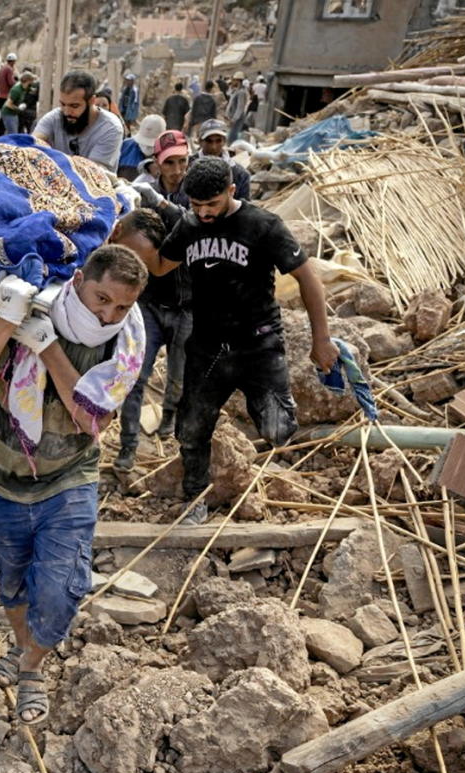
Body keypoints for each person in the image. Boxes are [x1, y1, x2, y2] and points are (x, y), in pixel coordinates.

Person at [0, 245, 147, 724]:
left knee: (61, 588)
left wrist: (49, 348)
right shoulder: (29, 312)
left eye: (121, 306)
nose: (108, 314)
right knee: (12, 578)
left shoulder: (124, 344)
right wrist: (8, 321)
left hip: (68, 479)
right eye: (101, 298)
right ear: (79, 279)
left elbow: (88, 417)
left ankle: (33, 667)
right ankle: (24, 654)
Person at [128, 157, 338, 523]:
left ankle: (269, 407)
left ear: (231, 191)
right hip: (207, 345)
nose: (204, 213)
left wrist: (322, 339)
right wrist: (134, 238)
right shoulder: (190, 226)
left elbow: (308, 278)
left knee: (277, 430)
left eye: (211, 204)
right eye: (196, 205)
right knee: (191, 430)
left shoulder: (263, 226)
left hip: (259, 342)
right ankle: (196, 500)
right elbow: (162, 265)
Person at [114, 130, 192, 469]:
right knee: (135, 376)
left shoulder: (196, 195)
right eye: (169, 163)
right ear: (157, 165)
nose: (177, 169)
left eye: (182, 162)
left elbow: (192, 228)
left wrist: (162, 205)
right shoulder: (143, 194)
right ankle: (128, 446)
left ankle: (168, 421)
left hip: (188, 305)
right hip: (150, 303)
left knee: (179, 376)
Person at [32, 70, 124, 171]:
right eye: (63, 104)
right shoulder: (55, 117)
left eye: (74, 106)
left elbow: (92, 172)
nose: (66, 112)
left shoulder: (111, 128)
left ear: (92, 101)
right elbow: (32, 144)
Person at [192, 119, 251, 200]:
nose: (214, 147)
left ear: (224, 141)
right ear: (200, 142)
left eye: (218, 141)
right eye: (209, 141)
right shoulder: (188, 167)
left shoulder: (240, 174)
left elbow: (244, 208)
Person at [117, 113, 164, 181]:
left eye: (151, 145)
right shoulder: (125, 146)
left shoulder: (168, 156)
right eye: (144, 143)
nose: (147, 147)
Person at [0, 71, 33, 136]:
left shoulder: (23, 89)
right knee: (13, 134)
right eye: (30, 82)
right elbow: (8, 104)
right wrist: (18, 109)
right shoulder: (17, 90)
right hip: (8, 113)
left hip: (14, 114)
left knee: (10, 132)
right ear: (27, 81)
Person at [0, 52, 17, 134]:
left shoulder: (2, 68)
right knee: (6, 116)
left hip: (0, 95)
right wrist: (18, 84)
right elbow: (11, 82)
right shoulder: (9, 69)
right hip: (6, 96)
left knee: (2, 115)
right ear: (13, 61)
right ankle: (0, 134)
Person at [226, 72, 248, 143]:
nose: (232, 82)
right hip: (233, 118)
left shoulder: (241, 92)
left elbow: (240, 108)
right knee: (230, 136)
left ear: (238, 81)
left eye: (234, 80)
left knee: (232, 138)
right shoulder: (236, 91)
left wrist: (234, 119)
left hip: (237, 119)